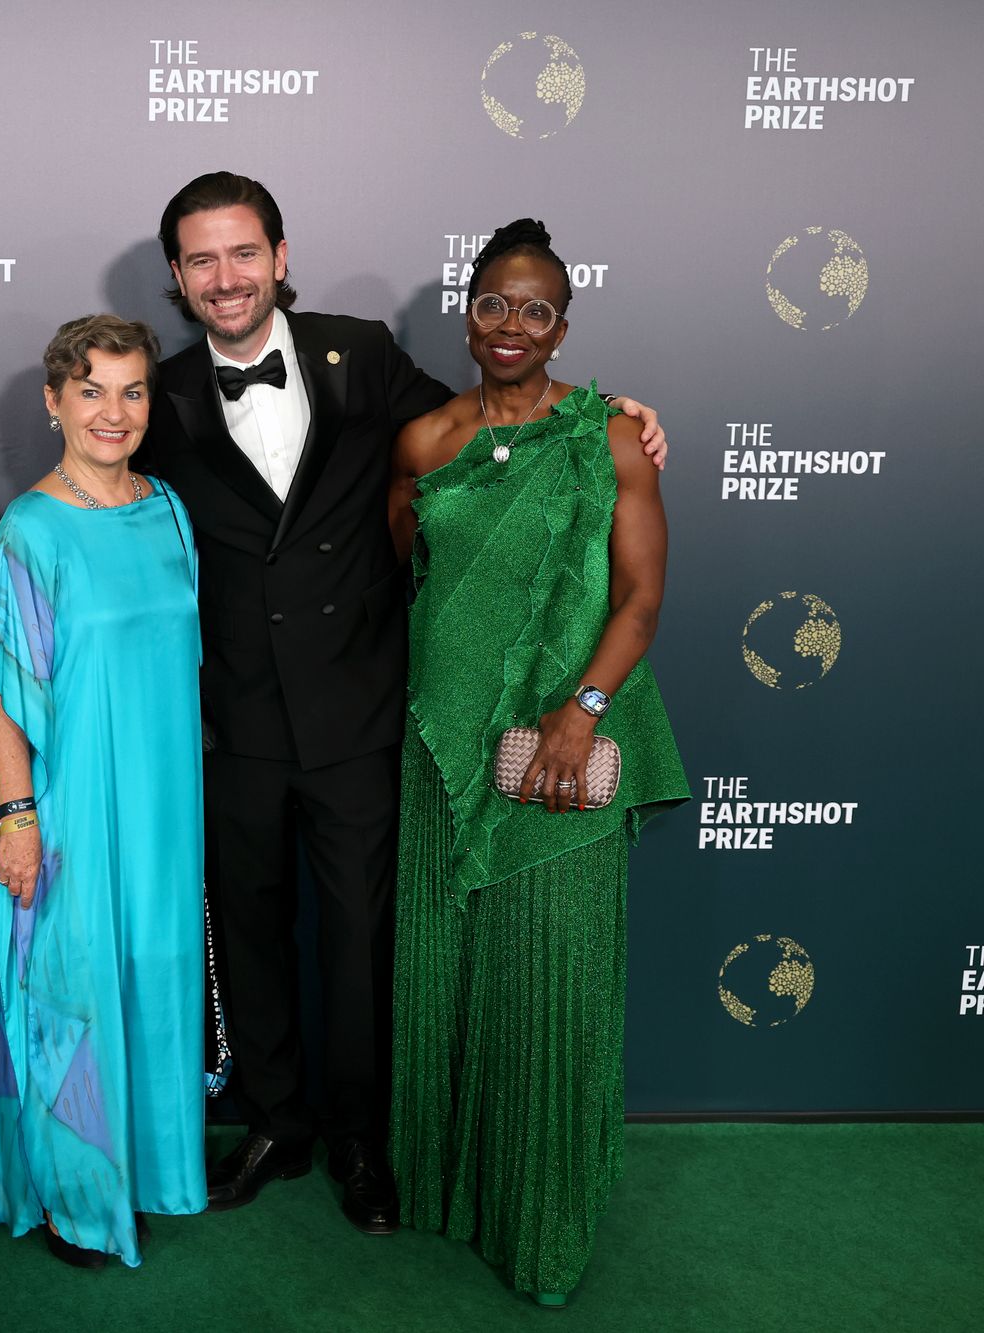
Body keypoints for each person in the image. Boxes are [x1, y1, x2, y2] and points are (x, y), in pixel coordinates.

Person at [140, 171, 668, 1232]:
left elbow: (496, 425)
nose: (225, 276)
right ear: (177, 279)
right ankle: (275, 1123)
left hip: (359, 713)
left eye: (243, 253)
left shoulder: (361, 352)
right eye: (202, 259)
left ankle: (356, 1136)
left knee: (358, 940)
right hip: (226, 718)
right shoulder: (154, 397)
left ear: (279, 259)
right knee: (247, 933)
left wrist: (614, 415)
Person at [386, 219, 687, 1304]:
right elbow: (405, 580)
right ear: (465, 312)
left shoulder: (607, 437)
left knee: (547, 977)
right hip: (443, 754)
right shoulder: (424, 440)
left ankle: (542, 1217)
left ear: (564, 321)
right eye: (492, 306)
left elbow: (640, 598)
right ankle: (454, 1188)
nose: (510, 328)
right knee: (453, 977)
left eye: (536, 310)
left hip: (563, 752)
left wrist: (581, 707)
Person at [0, 314, 206, 1268]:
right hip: (71, 802)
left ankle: (146, 1170)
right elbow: (2, 693)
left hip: (164, 804)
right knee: (72, 983)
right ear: (54, 402)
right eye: (91, 390)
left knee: (151, 970)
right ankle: (72, 1195)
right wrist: (17, 817)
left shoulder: (169, 508)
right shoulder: (31, 528)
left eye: (132, 390)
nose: (114, 411)